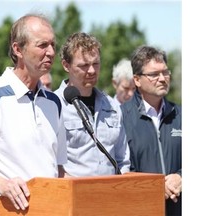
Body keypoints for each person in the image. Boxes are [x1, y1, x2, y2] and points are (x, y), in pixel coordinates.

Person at [0, 14, 67, 215]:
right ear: (18, 49)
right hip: (2, 211)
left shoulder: (54, 102)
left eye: (53, 44)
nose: (51, 52)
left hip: (49, 210)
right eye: (42, 45)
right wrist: (3, 185)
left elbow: (59, 170)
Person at [54, 32, 130, 177]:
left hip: (111, 194)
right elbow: (52, 163)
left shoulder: (112, 105)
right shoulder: (54, 105)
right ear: (66, 65)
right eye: (84, 65)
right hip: (73, 195)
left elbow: (123, 161)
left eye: (96, 64)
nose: (92, 71)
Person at [120, 45, 181, 215]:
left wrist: (181, 177)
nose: (162, 79)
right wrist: (154, 186)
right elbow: (120, 170)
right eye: (154, 74)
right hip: (141, 209)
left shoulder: (182, 115)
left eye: (165, 72)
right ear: (137, 80)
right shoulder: (120, 117)